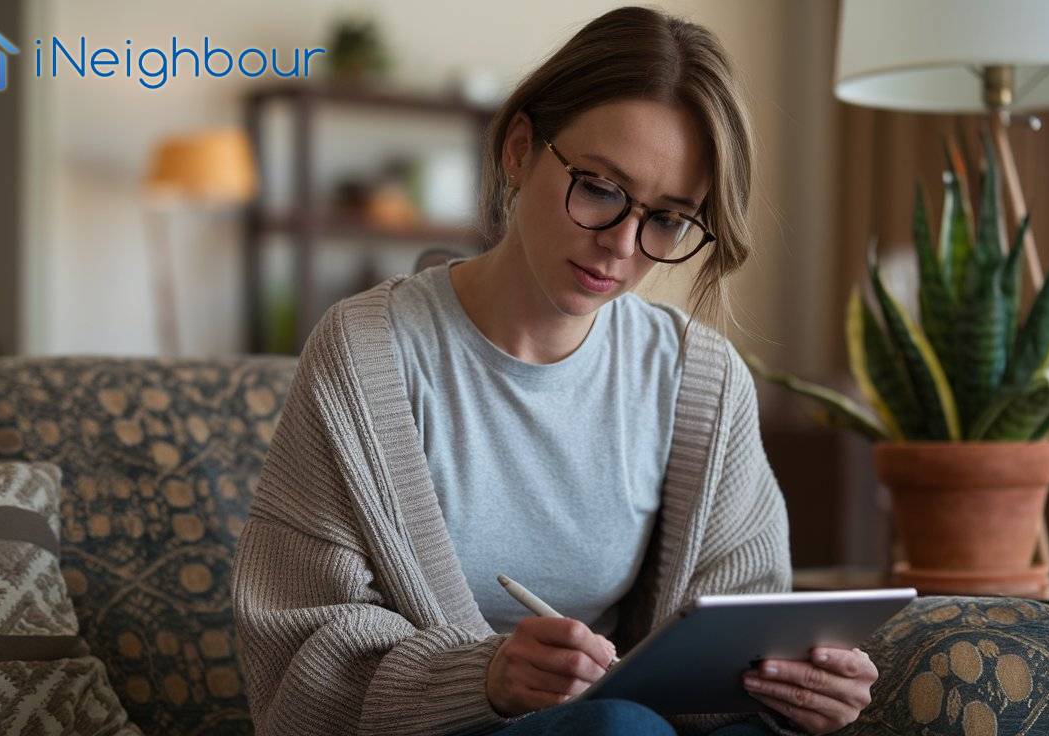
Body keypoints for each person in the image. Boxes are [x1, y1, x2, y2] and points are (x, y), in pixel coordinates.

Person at [230, 6, 877, 736]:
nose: (622, 248)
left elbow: (732, 643)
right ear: (517, 149)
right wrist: (486, 677)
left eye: (667, 219)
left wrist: (795, 688)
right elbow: (298, 662)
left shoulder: (700, 380)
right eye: (599, 188)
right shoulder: (366, 355)